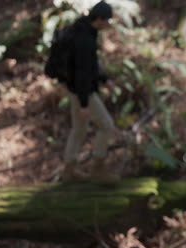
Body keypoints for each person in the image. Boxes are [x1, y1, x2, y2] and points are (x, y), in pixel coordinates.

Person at [62, 1, 118, 181]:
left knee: (79, 129)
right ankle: (98, 169)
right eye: (107, 20)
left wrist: (104, 79)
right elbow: (82, 73)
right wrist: (84, 103)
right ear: (100, 19)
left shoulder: (83, 29)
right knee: (106, 126)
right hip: (81, 91)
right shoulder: (84, 39)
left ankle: (69, 170)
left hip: (74, 88)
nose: (108, 24)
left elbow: (91, 66)